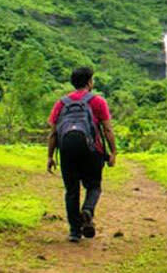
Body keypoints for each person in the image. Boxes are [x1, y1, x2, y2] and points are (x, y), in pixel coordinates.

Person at [47, 66, 117, 243]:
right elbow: (107, 129)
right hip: (92, 150)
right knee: (94, 186)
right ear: (89, 82)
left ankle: (74, 232)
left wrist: (50, 156)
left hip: (67, 149)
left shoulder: (61, 103)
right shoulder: (98, 101)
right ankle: (87, 210)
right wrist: (113, 152)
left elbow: (54, 133)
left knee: (71, 190)